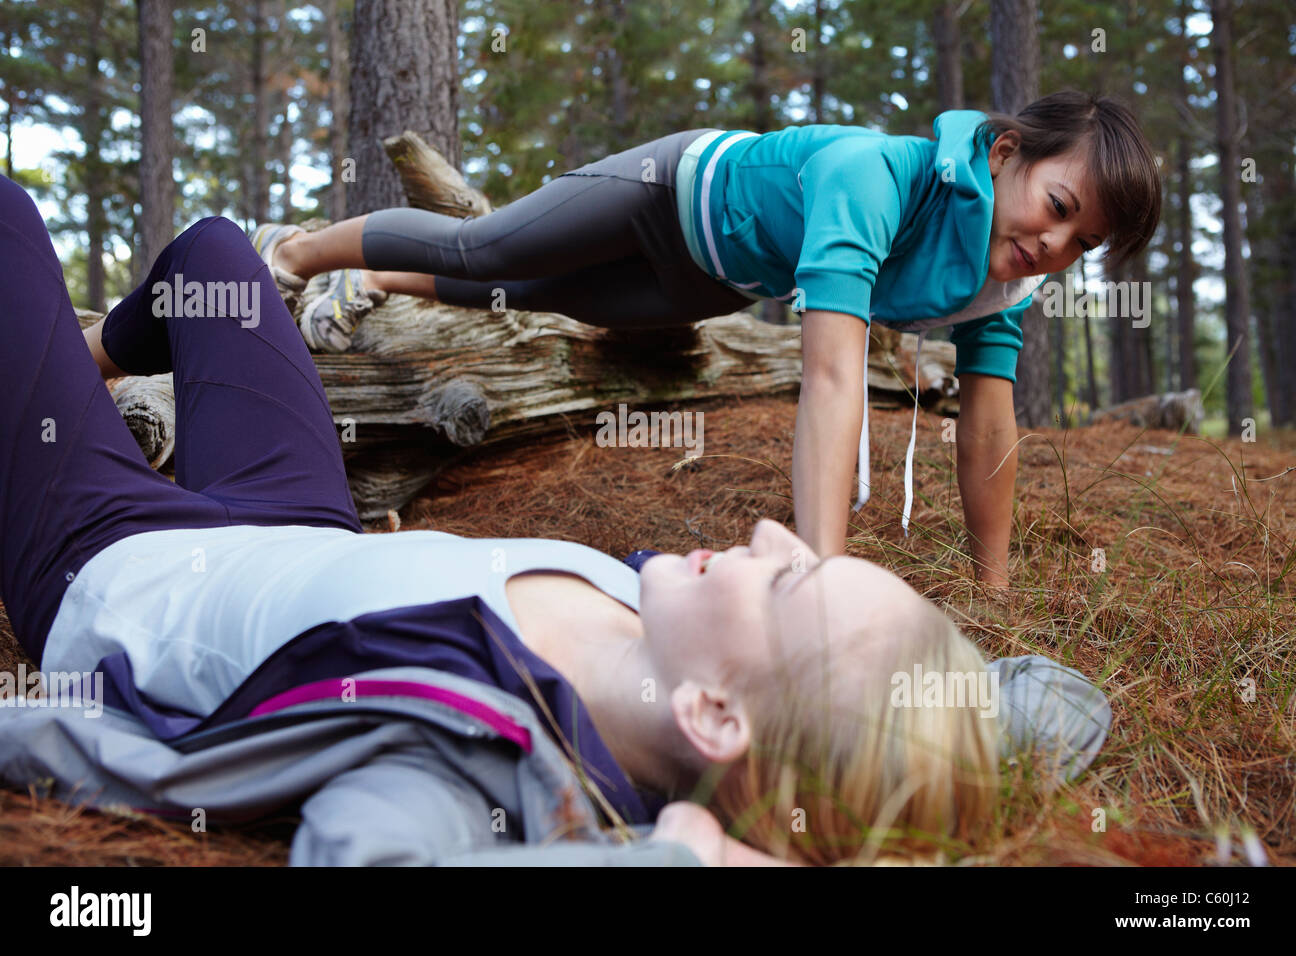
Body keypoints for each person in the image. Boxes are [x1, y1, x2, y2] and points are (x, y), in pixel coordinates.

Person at [0, 174, 1110, 866]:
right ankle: (92, 375)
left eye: (788, 580)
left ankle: (45, 419)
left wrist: (684, 859)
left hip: (117, 561)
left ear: (715, 713)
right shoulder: (667, 625)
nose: (779, 536)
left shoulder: (477, 765)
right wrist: (974, 710)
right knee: (217, 258)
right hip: (295, 523)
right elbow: (989, 706)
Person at [249, 89, 1161, 585]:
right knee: (488, 241)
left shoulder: (995, 288)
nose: (1053, 247)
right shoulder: (874, 176)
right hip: (668, 186)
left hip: (711, 278)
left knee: (525, 293)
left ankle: (367, 277)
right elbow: (834, 380)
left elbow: (989, 429)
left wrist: (993, 590)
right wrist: (822, 577)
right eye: (1058, 208)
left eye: (1080, 245)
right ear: (1004, 155)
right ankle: (291, 249)